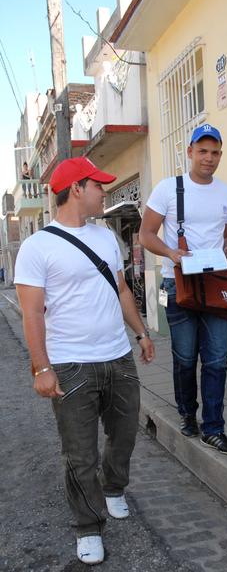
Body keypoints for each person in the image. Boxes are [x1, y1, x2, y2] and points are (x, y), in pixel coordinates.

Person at [15, 157, 155, 565]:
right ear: (77, 188)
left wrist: (142, 333)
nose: (104, 192)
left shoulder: (107, 236)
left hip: (118, 355)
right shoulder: (37, 247)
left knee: (125, 435)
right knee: (80, 453)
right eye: (98, 185)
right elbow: (32, 313)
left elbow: (122, 289)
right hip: (71, 364)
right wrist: (41, 368)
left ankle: (113, 488)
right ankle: (88, 526)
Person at [140, 124, 227, 455]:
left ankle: (214, 427)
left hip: (215, 283)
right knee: (185, 359)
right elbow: (146, 234)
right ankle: (187, 413)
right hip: (178, 281)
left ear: (220, 155)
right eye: (202, 151)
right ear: (190, 152)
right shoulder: (169, 188)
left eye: (214, 152)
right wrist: (171, 254)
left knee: (216, 361)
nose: (208, 158)